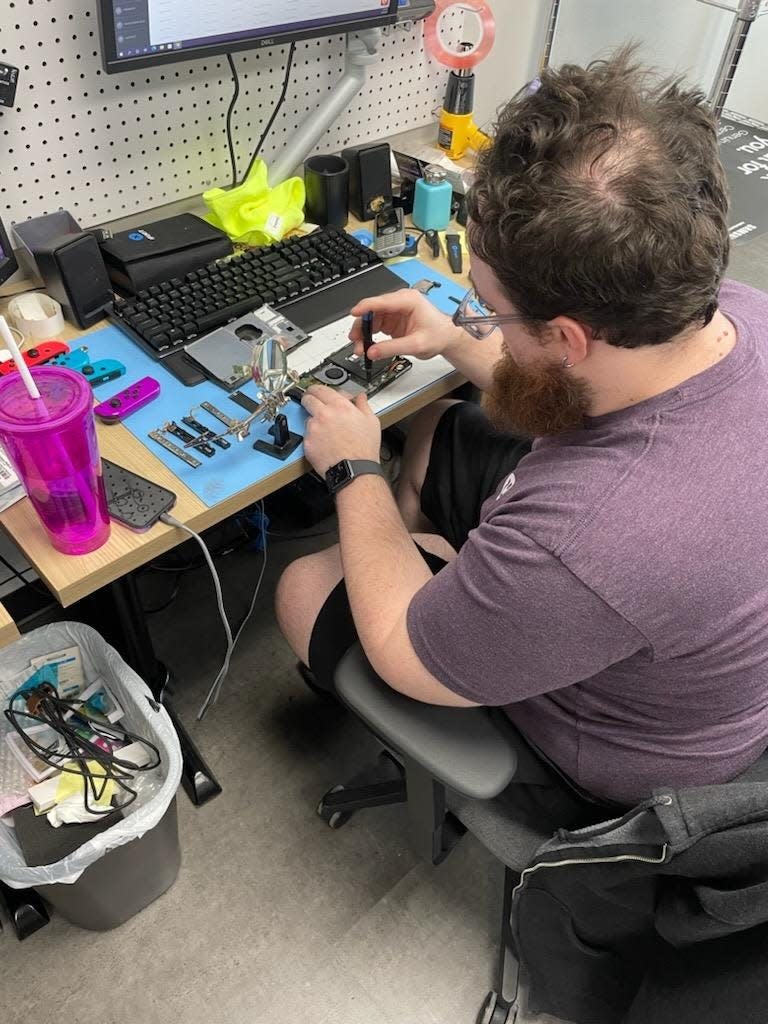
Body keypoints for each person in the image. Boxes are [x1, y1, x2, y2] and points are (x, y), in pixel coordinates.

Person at [275, 49, 768, 817]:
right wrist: (454, 338)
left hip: (615, 754)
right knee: (439, 424)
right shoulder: (732, 306)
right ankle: (440, 583)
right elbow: (557, 383)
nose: (484, 318)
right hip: (673, 639)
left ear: (567, 338)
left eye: (490, 305)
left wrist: (353, 473)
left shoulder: (592, 535)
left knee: (305, 586)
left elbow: (408, 652)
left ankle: (438, 610)